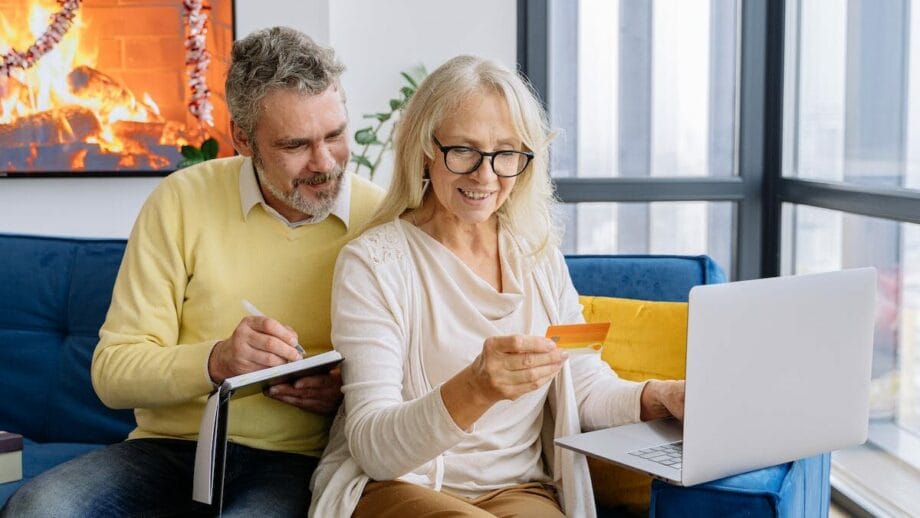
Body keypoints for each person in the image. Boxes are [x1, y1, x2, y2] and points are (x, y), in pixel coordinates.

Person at [1, 27, 383, 517]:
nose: (325, 163)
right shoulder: (181, 200)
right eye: (295, 145)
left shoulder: (382, 217)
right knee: (37, 508)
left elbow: (406, 380)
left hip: (295, 461)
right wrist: (218, 361)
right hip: (167, 450)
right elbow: (112, 373)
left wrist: (342, 394)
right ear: (243, 139)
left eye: (335, 135)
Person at [309, 55, 685, 517]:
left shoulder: (537, 254)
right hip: (399, 486)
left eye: (506, 152)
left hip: (518, 490)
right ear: (426, 146)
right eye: (463, 150)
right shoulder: (375, 263)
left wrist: (657, 396)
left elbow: (583, 386)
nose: (485, 176)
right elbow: (373, 447)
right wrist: (476, 388)